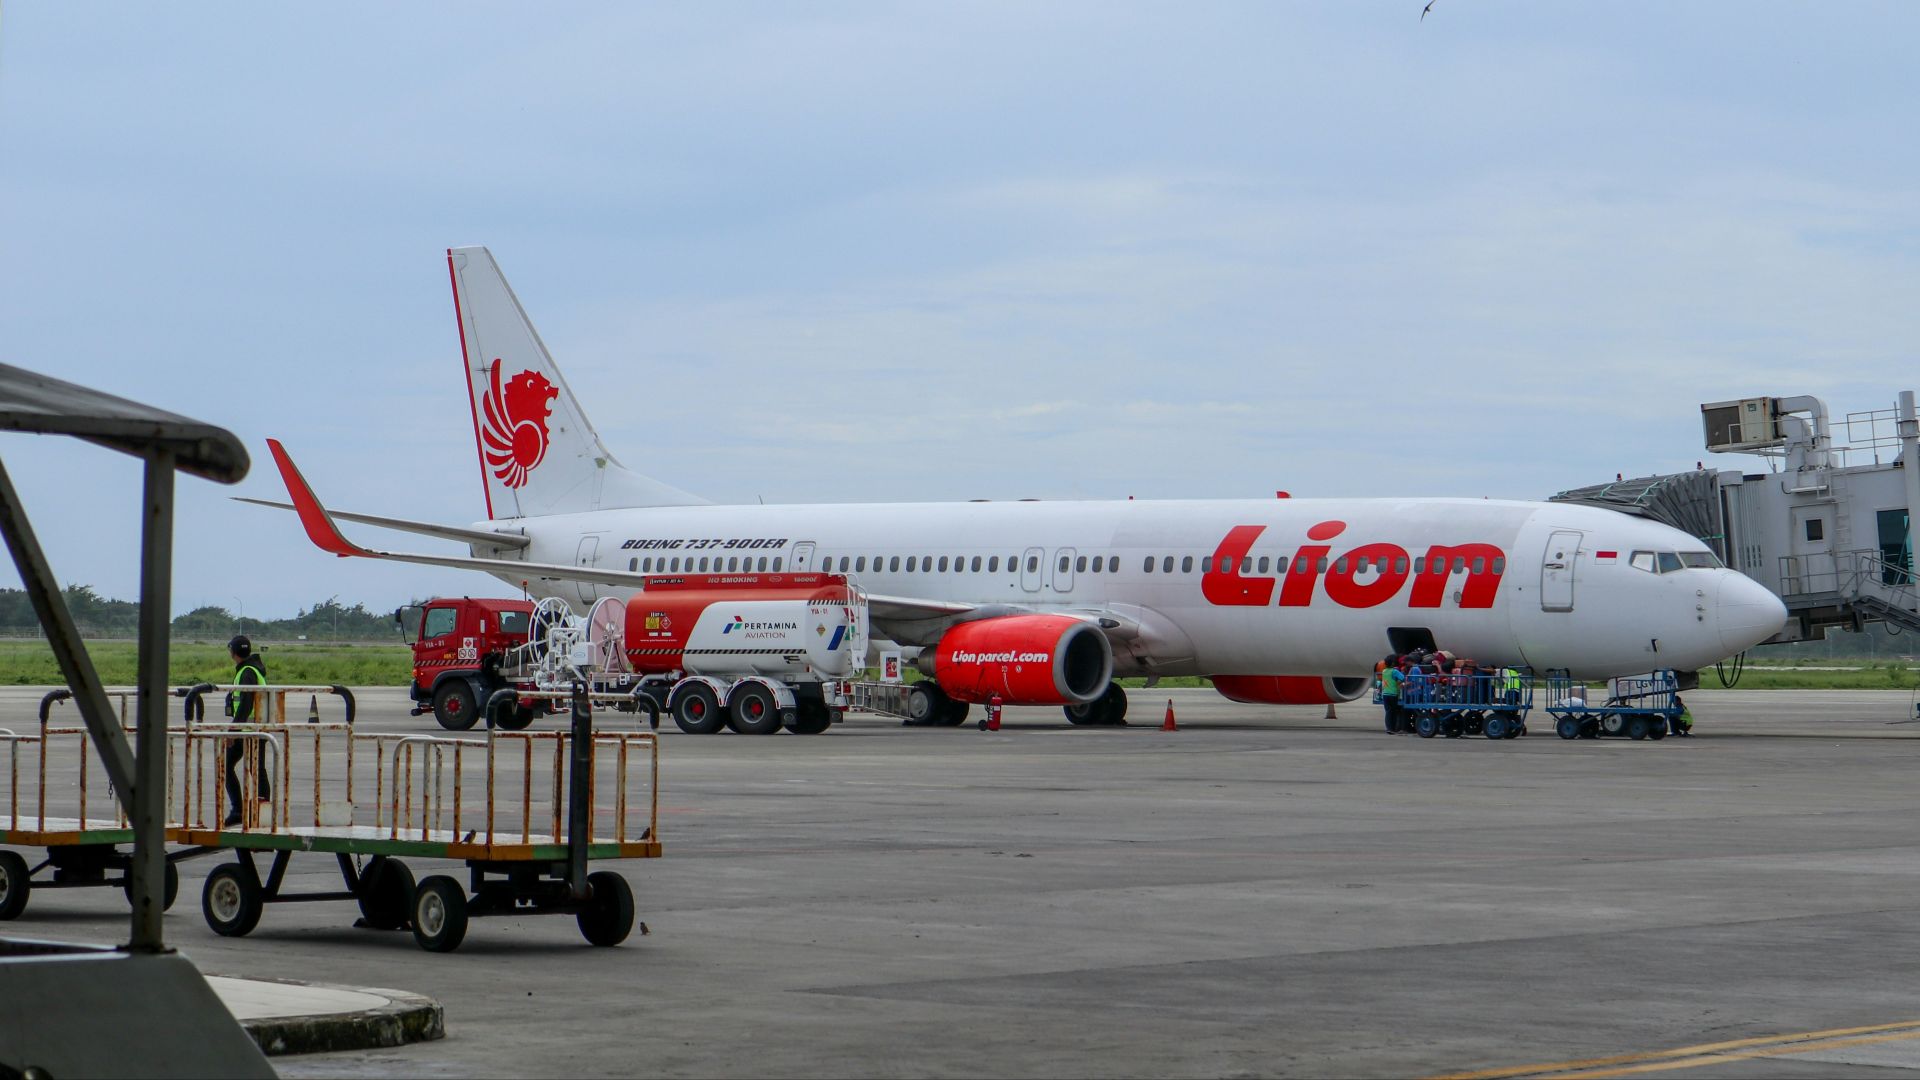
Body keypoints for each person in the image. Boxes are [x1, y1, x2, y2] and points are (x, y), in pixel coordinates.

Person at [223, 634, 270, 826]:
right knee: (257, 769)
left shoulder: (247, 672)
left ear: (233, 652)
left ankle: (239, 810)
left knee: (226, 768)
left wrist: (234, 729)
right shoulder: (253, 669)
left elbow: (246, 702)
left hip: (248, 730)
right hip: (256, 728)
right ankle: (261, 810)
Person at [1378, 655, 1405, 734]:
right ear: (1393, 663)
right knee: (1393, 711)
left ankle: (1388, 728)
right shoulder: (1394, 671)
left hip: (1385, 694)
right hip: (1393, 693)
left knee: (1388, 711)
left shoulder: (1384, 671)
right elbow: (1403, 677)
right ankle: (1393, 728)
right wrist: (1397, 683)